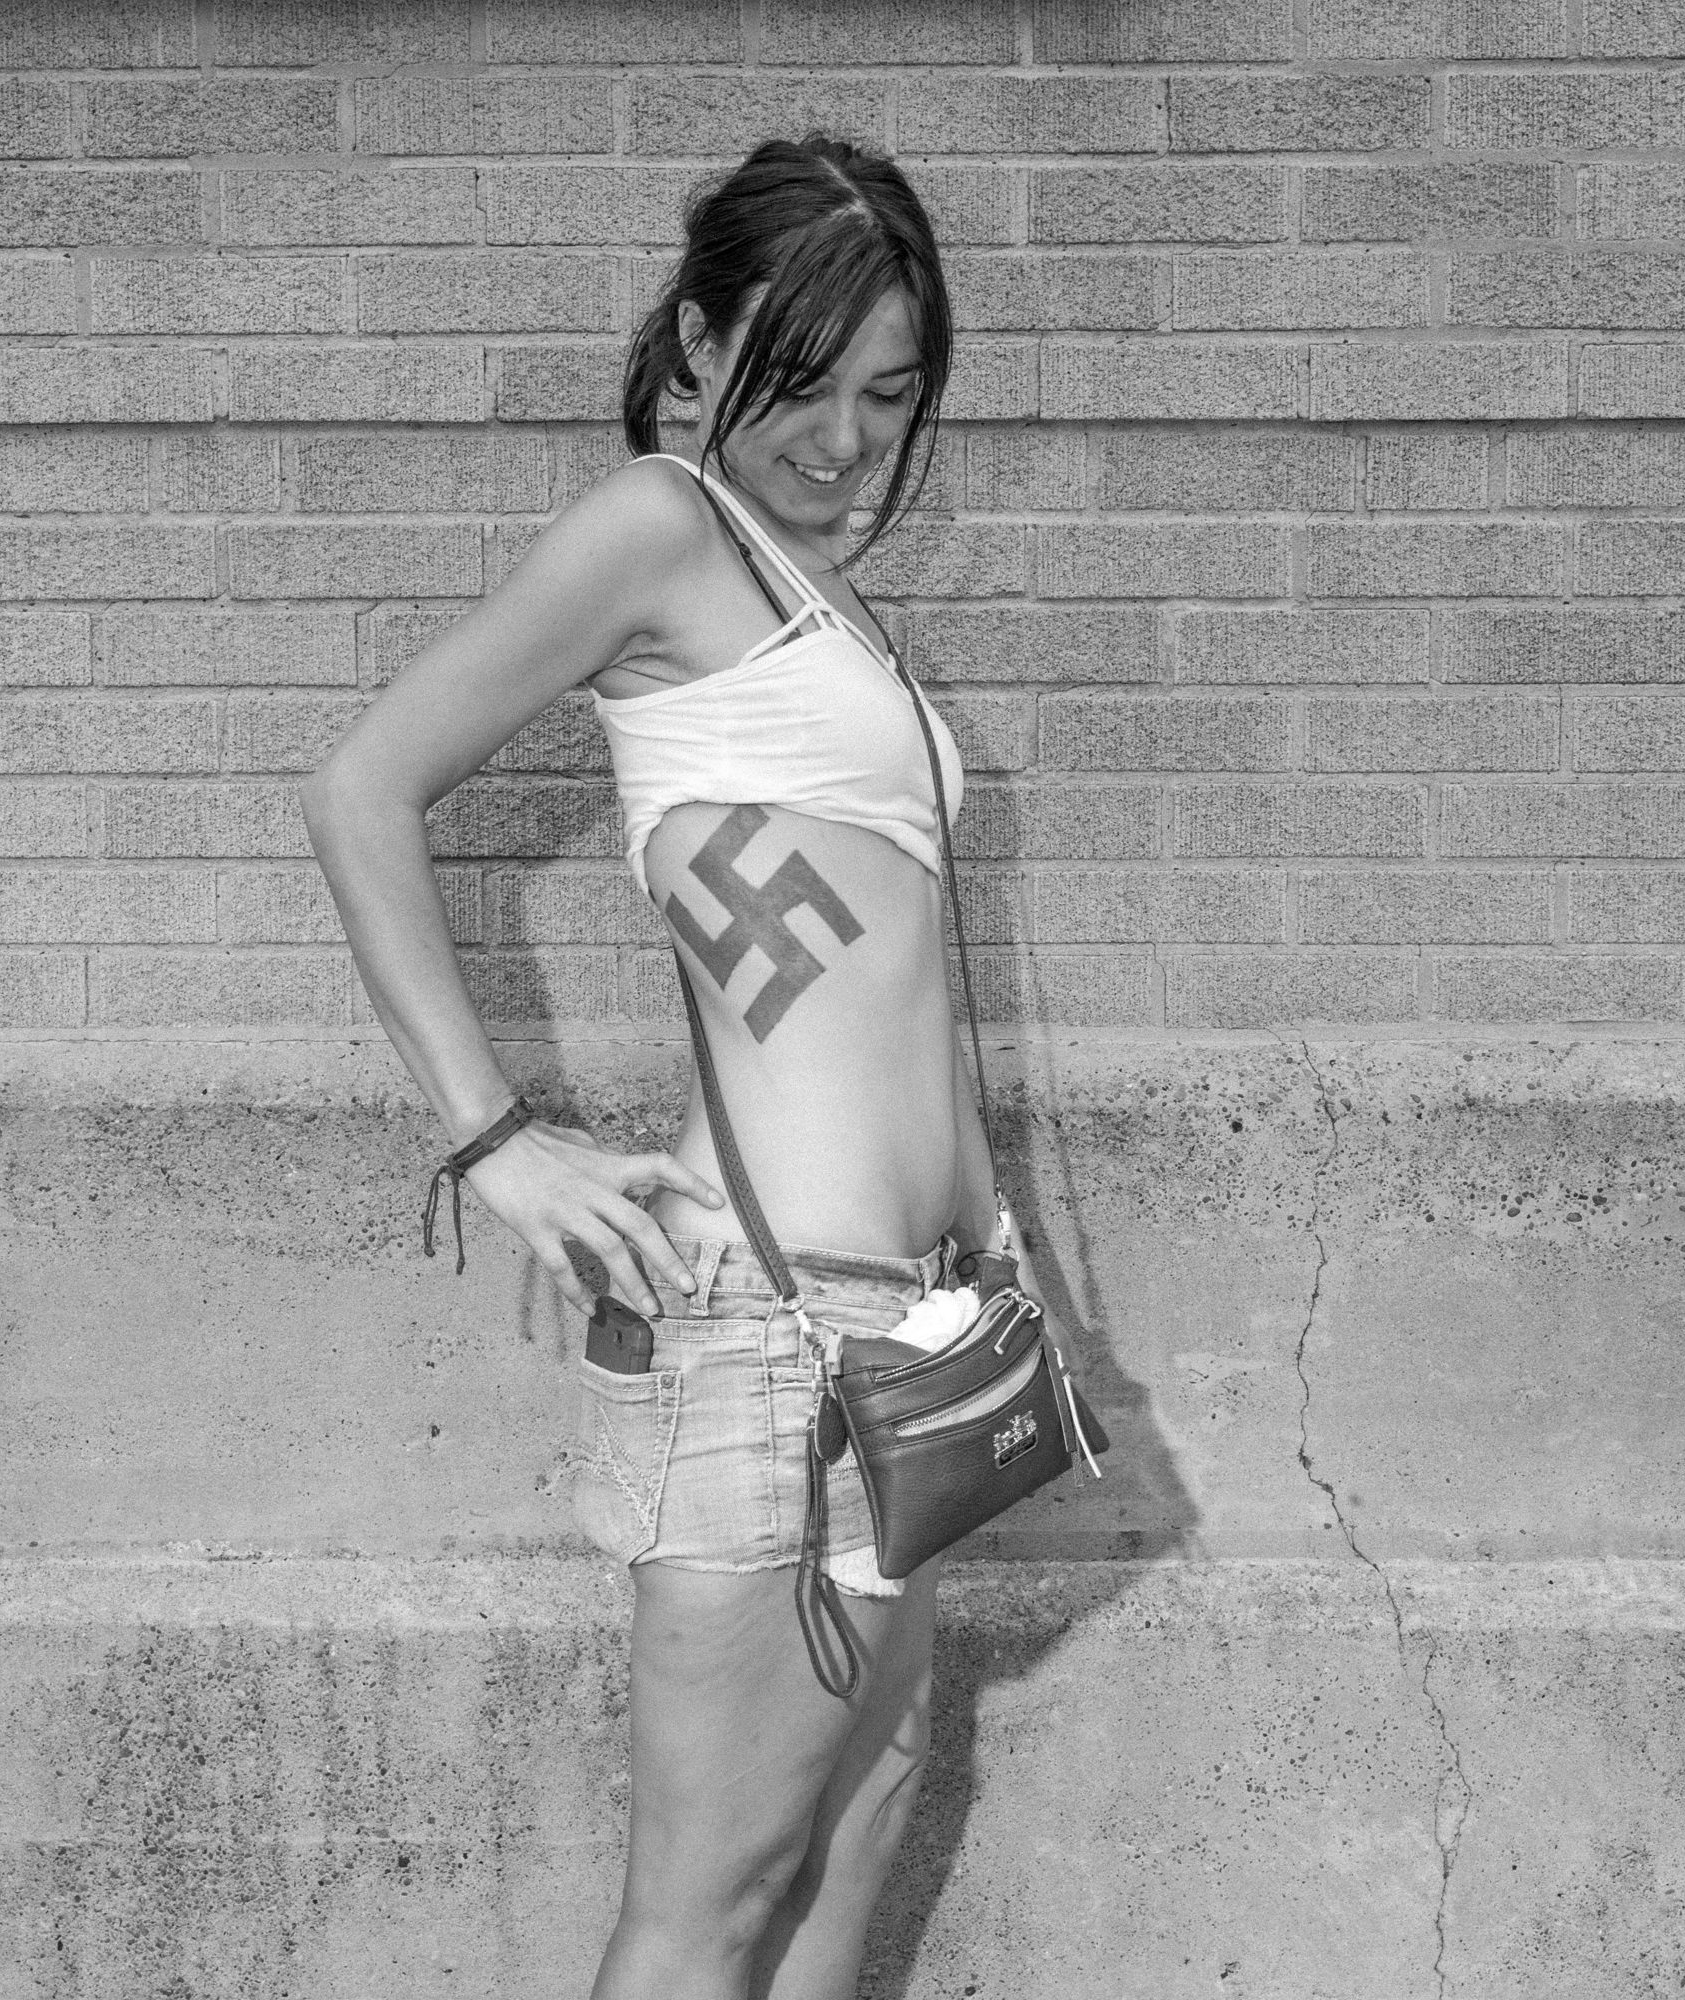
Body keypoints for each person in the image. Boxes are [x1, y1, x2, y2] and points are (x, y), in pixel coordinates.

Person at [301, 134, 991, 1998]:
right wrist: (496, 1138)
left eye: (890, 395)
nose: (846, 442)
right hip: (776, 1328)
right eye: (803, 382)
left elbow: (900, 977)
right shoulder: (658, 529)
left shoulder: (817, 590)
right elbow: (364, 788)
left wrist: (992, 1264)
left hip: (908, 1327)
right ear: (698, 343)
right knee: (709, 1907)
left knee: (852, 1846)